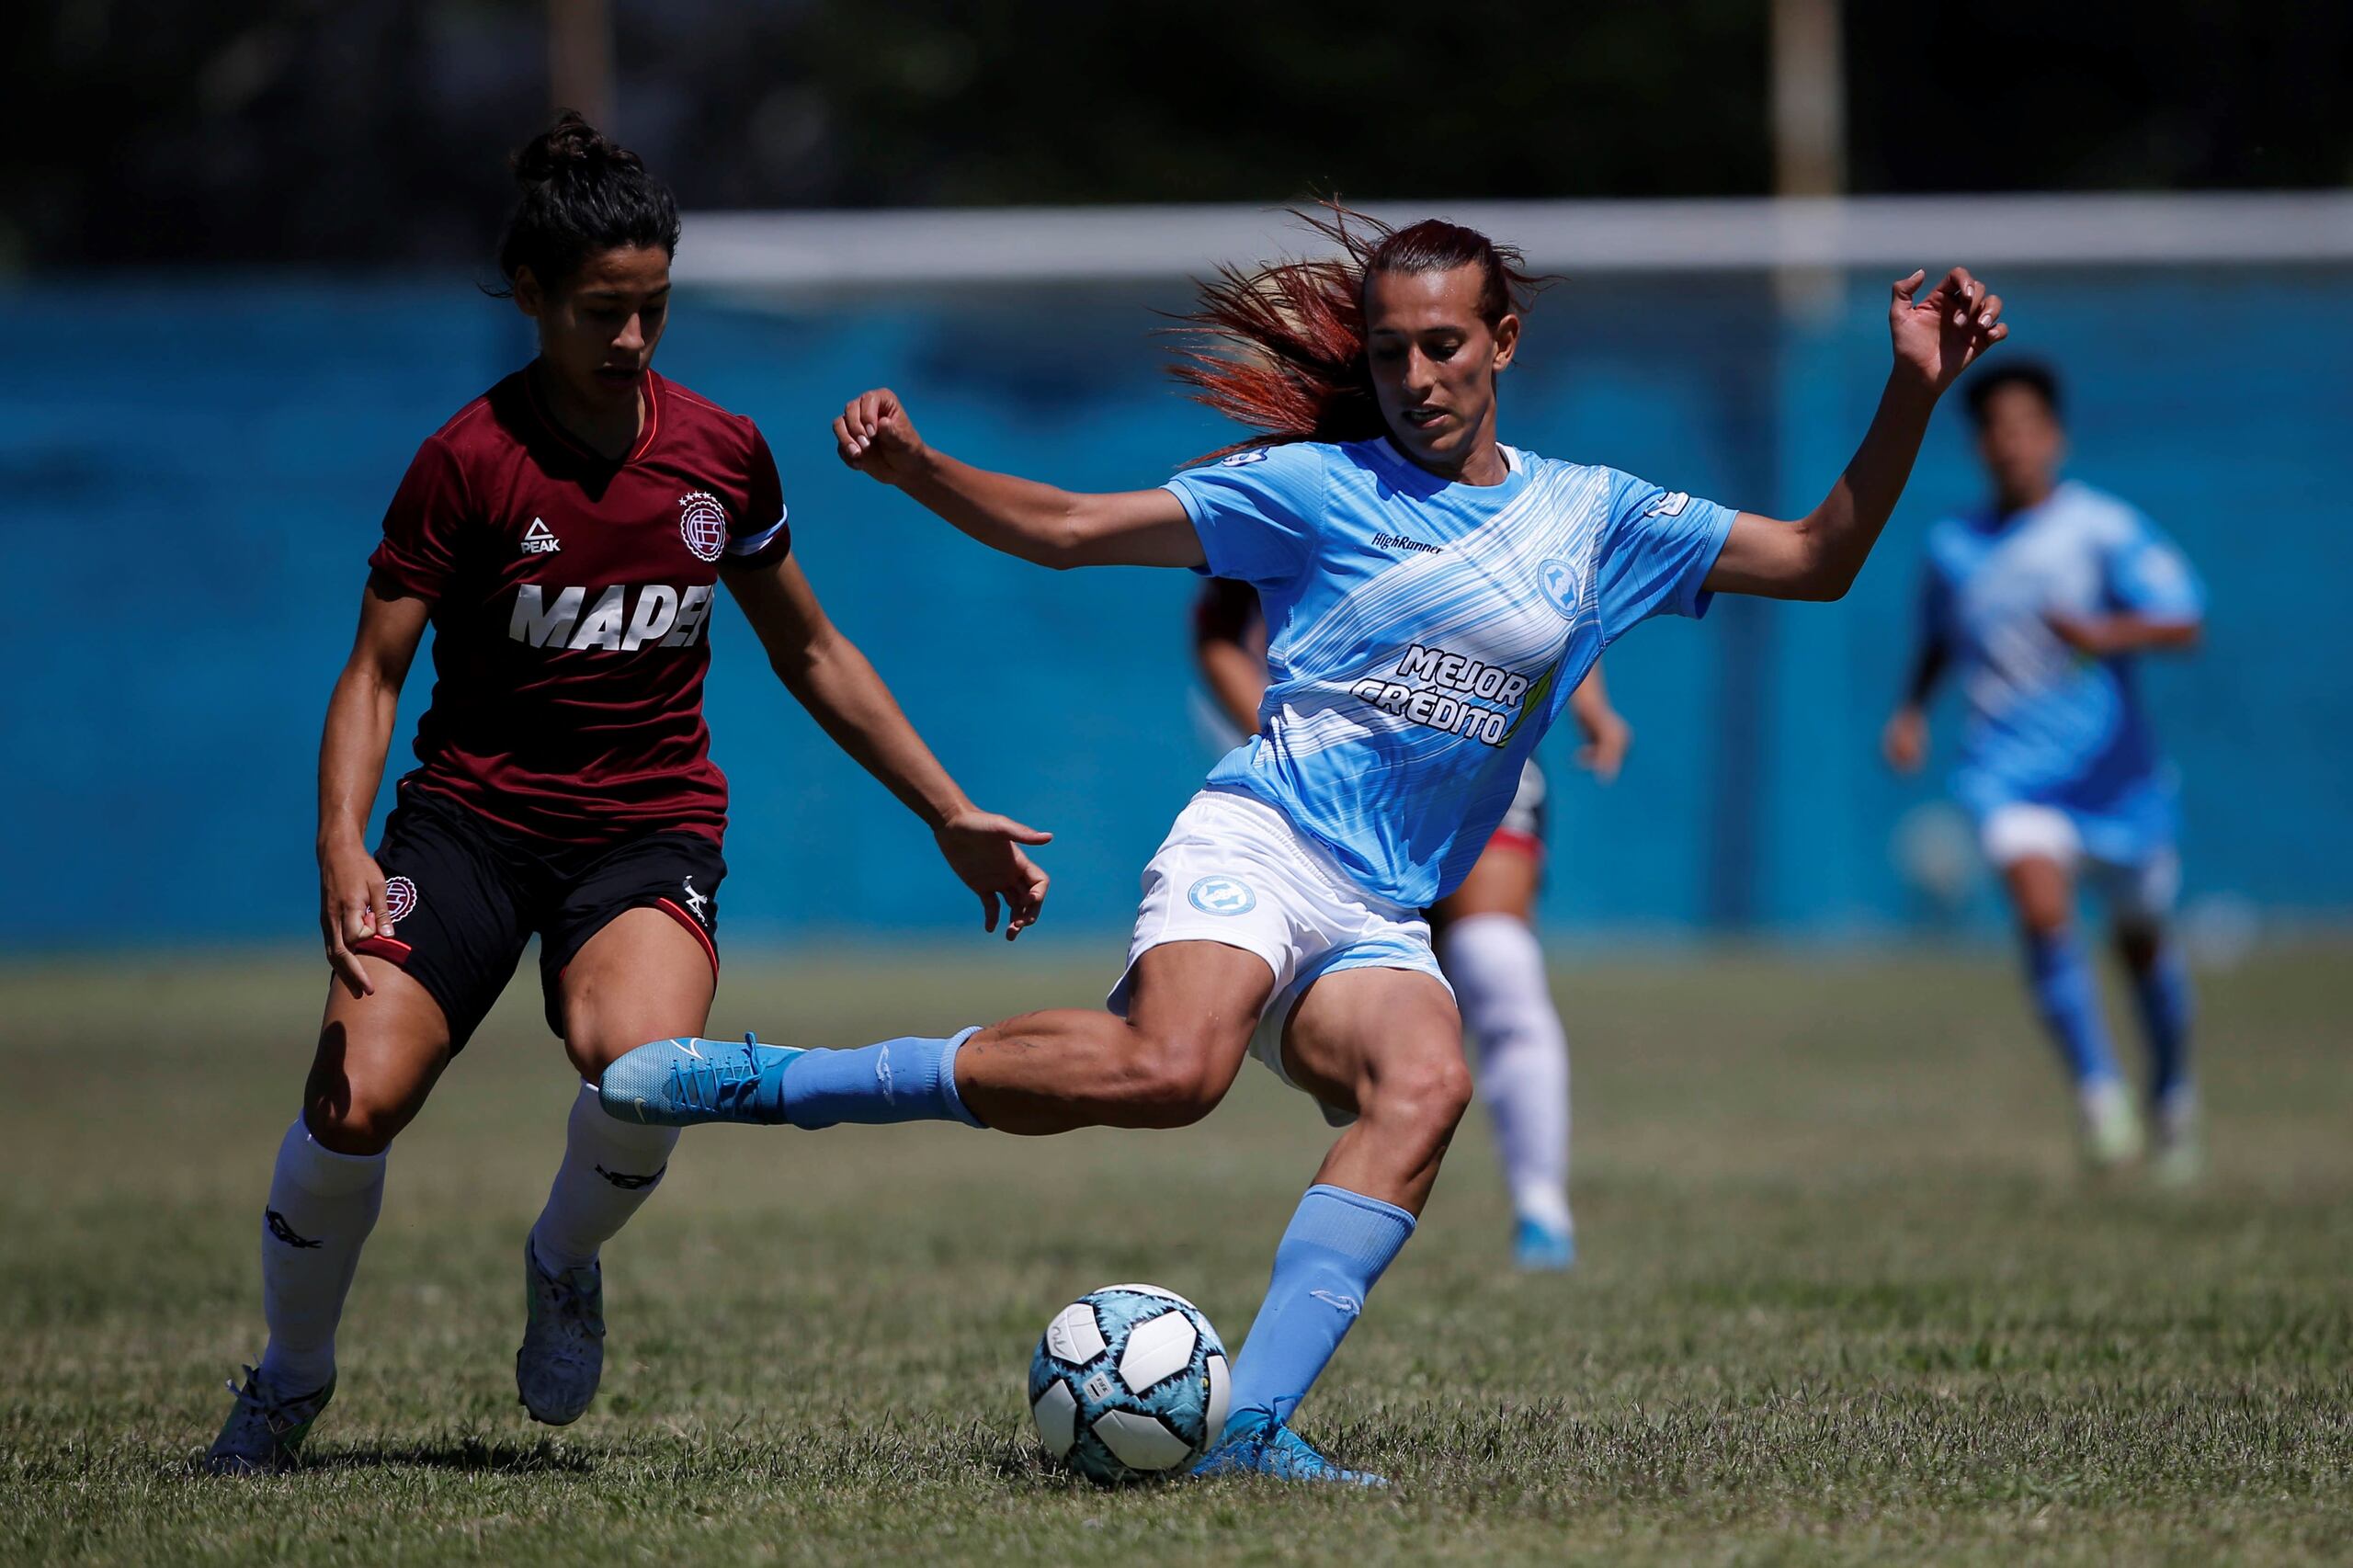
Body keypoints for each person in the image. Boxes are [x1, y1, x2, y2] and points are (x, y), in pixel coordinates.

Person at [604, 210, 2007, 1483]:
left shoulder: (1599, 519)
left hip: (1378, 909)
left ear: (1504, 341)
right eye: (1392, 351)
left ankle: (1254, 1423)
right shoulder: (1315, 491)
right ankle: (783, 1082)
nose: (1417, 376)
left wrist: (1911, 386)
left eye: (1445, 344)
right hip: (1263, 840)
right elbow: (1078, 530)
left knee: (1427, 1078)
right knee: (1170, 1071)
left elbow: (1823, 555)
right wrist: (917, 469)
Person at [203, 115, 1050, 1475]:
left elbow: (812, 648)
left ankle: (561, 1258)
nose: (634, 338)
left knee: (645, 1074)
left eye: (654, 306)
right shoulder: (468, 461)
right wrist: (340, 846)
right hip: (470, 824)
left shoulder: (720, 454)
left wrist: (945, 808)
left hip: (646, 832)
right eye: (604, 309)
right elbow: (374, 672)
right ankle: (290, 1379)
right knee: (354, 1103)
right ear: (531, 296)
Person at [1194, 575, 1629, 1269]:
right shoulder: (1307, 474)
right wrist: (1295, 748)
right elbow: (1218, 631)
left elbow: (1561, 586)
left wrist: (1594, 704)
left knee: (1497, 966)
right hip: (1336, 789)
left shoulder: (1498, 477)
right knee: (1337, 1024)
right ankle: (1341, 1226)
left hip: (1475, 767)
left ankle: (1542, 1211)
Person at [1882, 360, 2205, 1182]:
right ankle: (2101, 1096)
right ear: (1979, 445)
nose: (2010, 445)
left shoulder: (2102, 530)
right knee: (2040, 908)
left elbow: (2183, 620)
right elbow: (1938, 641)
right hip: (2008, 775)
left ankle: (2172, 1092)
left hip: (2116, 782)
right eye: (1994, 430)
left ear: (2053, 438)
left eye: (2025, 427)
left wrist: (2108, 635)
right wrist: (1913, 710)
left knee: (2141, 948)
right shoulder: (1953, 547)